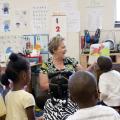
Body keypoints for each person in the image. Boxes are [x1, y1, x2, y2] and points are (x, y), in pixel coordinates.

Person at [39, 35, 94, 109]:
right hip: (53, 98)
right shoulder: (46, 64)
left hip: (72, 97)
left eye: (65, 47)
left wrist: (93, 66)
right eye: (62, 47)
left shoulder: (71, 61)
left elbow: (84, 74)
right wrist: (63, 86)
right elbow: (43, 86)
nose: (65, 50)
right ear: (54, 50)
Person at [2, 53, 35, 120]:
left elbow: (18, 114)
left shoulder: (7, 95)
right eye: (30, 71)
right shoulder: (28, 97)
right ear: (24, 75)